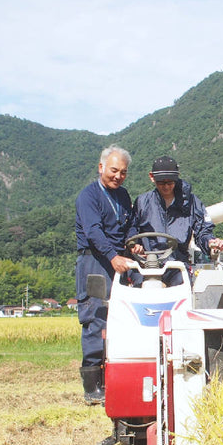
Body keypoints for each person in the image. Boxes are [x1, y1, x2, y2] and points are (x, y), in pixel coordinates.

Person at [75, 145, 138, 405]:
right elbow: (93, 232)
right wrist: (113, 257)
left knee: (124, 319)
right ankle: (93, 389)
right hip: (95, 262)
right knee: (96, 319)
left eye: (123, 172)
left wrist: (133, 243)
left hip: (120, 260)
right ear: (101, 167)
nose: (118, 176)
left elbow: (130, 224)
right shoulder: (88, 196)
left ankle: (118, 379)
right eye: (114, 170)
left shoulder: (123, 195)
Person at [130, 156, 223, 286]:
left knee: (182, 285)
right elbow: (132, 229)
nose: (166, 187)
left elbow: (203, 230)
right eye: (161, 183)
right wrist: (135, 245)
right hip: (147, 264)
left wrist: (210, 242)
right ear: (152, 177)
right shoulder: (142, 202)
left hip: (177, 264)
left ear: (177, 178)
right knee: (138, 287)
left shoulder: (191, 203)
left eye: (170, 182)